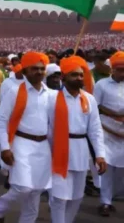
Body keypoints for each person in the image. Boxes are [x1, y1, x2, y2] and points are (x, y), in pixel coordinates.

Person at [0, 52, 55, 223]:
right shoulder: (14, 92)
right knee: (24, 187)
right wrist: (5, 147)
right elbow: (1, 120)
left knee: (35, 192)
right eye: (34, 68)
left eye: (42, 69)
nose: (39, 72)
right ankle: (0, 206)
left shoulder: (50, 94)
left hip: (43, 147)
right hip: (21, 144)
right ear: (25, 71)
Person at [48, 56, 106, 223]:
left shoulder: (89, 99)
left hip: (80, 151)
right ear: (63, 77)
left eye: (81, 75)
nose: (79, 78)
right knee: (59, 198)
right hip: (57, 152)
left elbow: (95, 129)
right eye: (74, 75)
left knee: (77, 197)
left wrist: (100, 155)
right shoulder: (52, 98)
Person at [94, 51, 124, 216]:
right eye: (119, 70)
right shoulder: (101, 85)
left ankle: (113, 196)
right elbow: (95, 106)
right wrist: (113, 115)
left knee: (120, 171)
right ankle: (105, 202)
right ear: (112, 69)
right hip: (106, 131)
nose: (122, 73)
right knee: (107, 168)